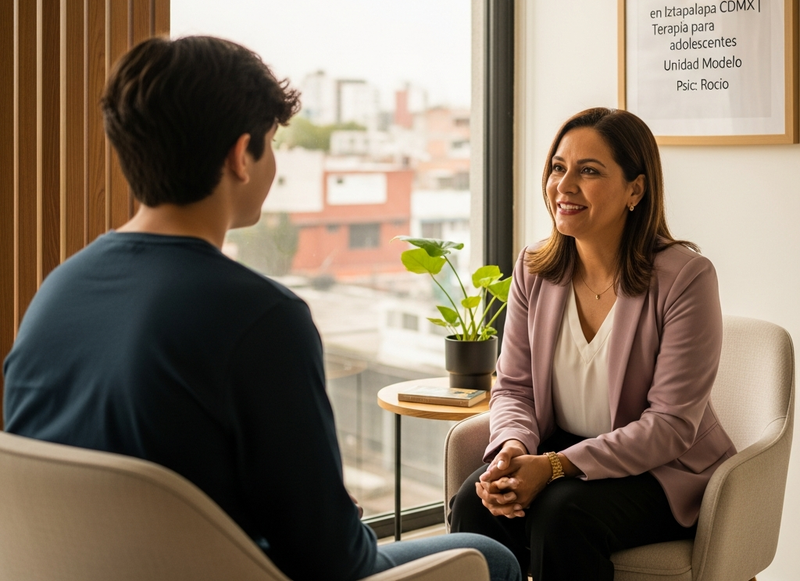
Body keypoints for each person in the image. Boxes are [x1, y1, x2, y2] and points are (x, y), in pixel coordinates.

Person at [3, 35, 521, 581]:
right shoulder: (262, 318)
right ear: (240, 156)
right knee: (491, 558)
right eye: (272, 143)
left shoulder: (57, 292)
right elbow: (335, 562)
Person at [450, 107, 736, 581]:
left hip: (662, 469)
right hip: (559, 448)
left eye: (589, 171)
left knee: (562, 516)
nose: (564, 186)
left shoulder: (685, 277)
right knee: (475, 504)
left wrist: (554, 466)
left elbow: (669, 425)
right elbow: (515, 388)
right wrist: (513, 447)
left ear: (635, 190)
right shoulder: (534, 269)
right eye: (558, 167)